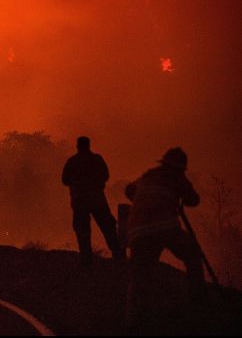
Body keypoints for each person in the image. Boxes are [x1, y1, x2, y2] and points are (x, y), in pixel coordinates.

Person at [124, 147, 204, 329]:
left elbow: (129, 190)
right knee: (193, 255)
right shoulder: (176, 177)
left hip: (138, 230)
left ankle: (134, 320)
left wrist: (144, 200)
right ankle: (199, 302)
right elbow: (193, 200)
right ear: (181, 167)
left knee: (139, 276)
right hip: (165, 227)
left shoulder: (147, 175)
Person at [62, 136, 123, 265]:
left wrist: (78, 182)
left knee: (83, 230)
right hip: (97, 200)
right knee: (108, 227)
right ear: (89, 145)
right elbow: (106, 175)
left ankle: (86, 259)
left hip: (79, 202)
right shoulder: (97, 159)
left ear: (77, 146)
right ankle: (118, 255)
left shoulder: (72, 161)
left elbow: (65, 180)